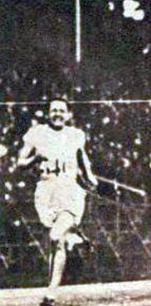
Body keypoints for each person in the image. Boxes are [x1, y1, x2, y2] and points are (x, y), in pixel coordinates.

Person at [16, 99, 98, 306]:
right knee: (56, 241)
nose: (57, 114)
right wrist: (35, 159)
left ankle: (51, 294)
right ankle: (74, 236)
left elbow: (83, 159)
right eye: (54, 111)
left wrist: (90, 178)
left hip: (69, 191)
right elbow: (20, 163)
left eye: (62, 111)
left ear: (68, 114)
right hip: (46, 192)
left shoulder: (76, 135)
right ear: (48, 113)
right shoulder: (36, 134)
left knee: (55, 235)